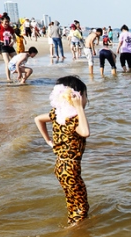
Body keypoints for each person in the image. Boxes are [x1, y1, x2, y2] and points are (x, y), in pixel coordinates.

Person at [34, 75, 91, 226]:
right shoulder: (74, 119)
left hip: (60, 167)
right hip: (71, 168)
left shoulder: (58, 115)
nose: (86, 100)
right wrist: (79, 108)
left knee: (73, 204)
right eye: (85, 96)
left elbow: (37, 119)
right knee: (82, 208)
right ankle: (73, 234)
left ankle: (71, 226)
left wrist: (49, 141)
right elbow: (85, 132)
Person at [0, 14, 17, 81]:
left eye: (8, 21)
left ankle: (19, 75)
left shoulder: (10, 28)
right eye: (5, 21)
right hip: (2, 45)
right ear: (2, 21)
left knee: (17, 60)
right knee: (7, 62)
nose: (7, 23)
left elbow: (14, 37)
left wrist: (13, 41)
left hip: (9, 45)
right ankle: (8, 78)